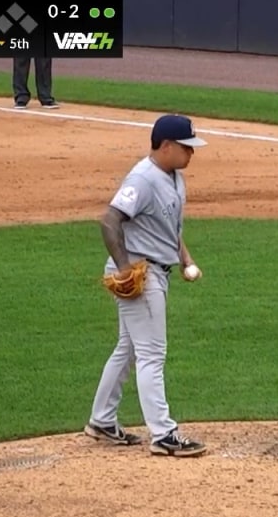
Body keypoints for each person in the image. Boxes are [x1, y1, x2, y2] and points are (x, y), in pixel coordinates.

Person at [84, 113, 209, 459]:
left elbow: (170, 227)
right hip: (141, 273)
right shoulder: (142, 179)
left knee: (128, 348)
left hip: (158, 268)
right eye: (186, 147)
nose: (191, 153)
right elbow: (109, 220)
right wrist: (125, 268)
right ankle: (164, 434)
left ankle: (102, 421)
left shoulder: (174, 177)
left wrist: (185, 259)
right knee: (152, 354)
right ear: (166, 146)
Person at [3, 0, 60, 109]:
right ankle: (21, 97)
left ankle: (46, 97)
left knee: (44, 60)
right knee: (21, 58)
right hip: (22, 17)